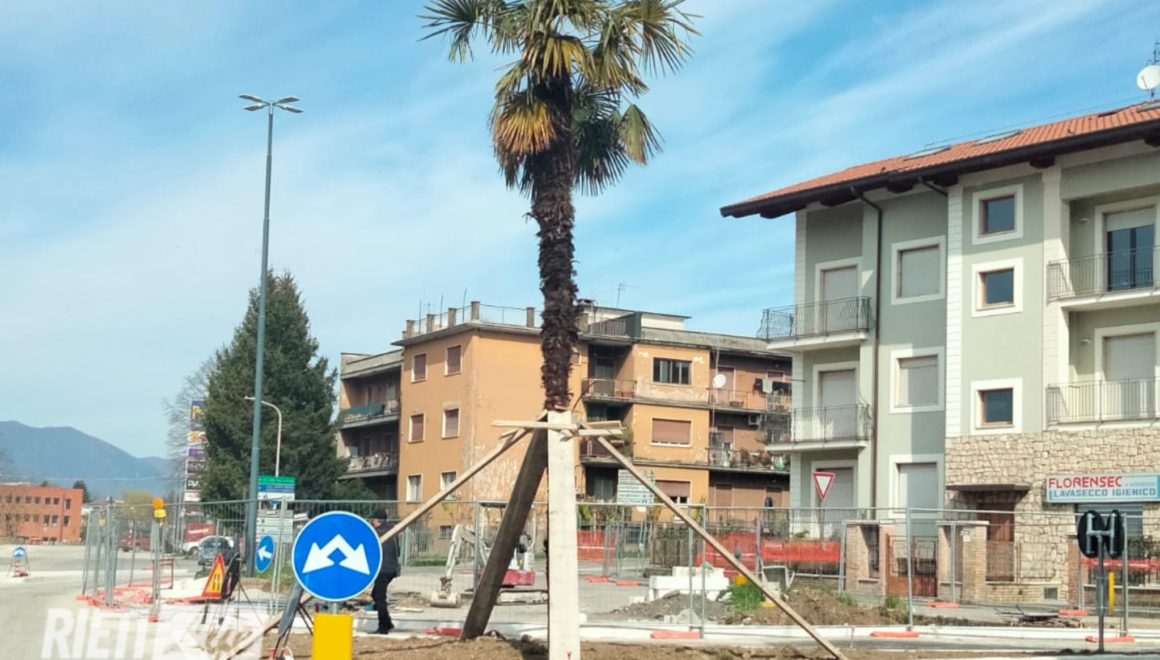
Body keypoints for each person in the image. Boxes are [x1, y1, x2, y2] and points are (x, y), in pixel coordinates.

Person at [369, 508, 400, 634]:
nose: (372, 522)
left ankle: (384, 627)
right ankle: (388, 623)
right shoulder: (393, 530)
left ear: (377, 520)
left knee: (379, 597)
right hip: (392, 568)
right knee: (376, 594)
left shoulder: (376, 532)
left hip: (383, 569)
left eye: (373, 520)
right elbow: (398, 550)